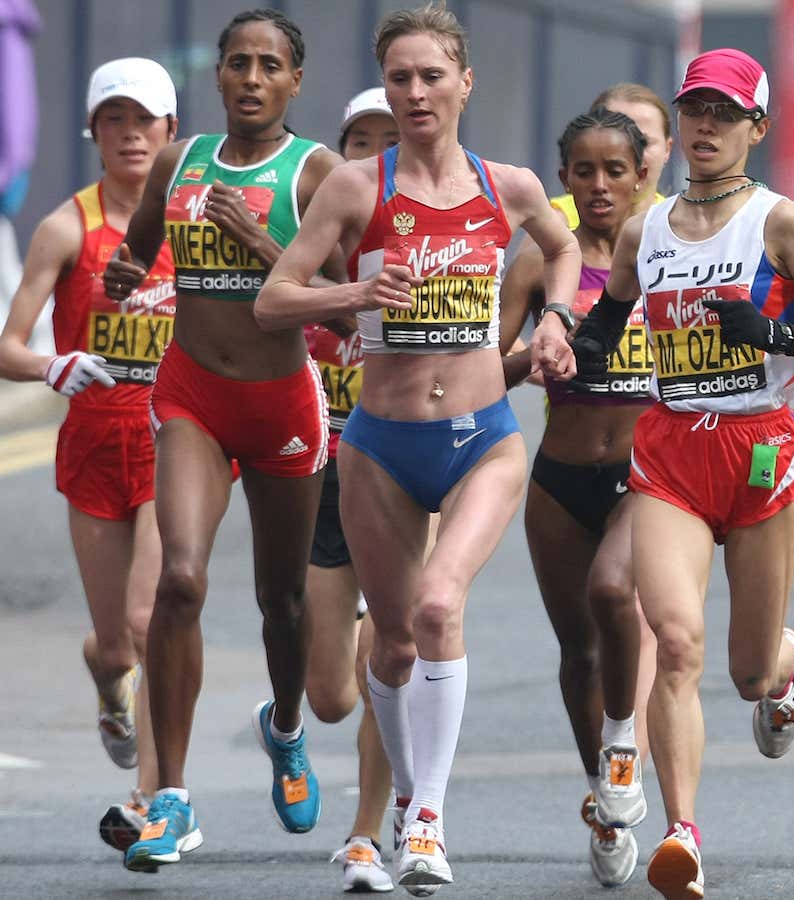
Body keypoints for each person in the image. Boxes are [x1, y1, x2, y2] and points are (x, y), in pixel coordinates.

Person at [256, 5, 581, 893]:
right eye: (399, 77)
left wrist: (556, 318)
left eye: (431, 75)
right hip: (381, 445)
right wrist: (355, 292)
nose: (414, 92)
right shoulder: (357, 189)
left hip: (482, 438)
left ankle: (426, 819)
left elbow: (564, 247)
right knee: (392, 647)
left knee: (441, 606)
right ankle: (405, 801)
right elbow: (273, 300)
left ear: (464, 82)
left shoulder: (506, 186)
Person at [533, 47, 794, 900]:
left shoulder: (782, 223)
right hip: (671, 449)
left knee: (744, 670)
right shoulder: (649, 228)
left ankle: (779, 670)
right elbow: (606, 326)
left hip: (761, 451)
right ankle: (682, 834)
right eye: (694, 111)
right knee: (674, 642)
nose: (705, 126)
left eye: (724, 112)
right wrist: (570, 344)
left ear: (758, 126)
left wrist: (771, 335)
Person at [104, 9, 344, 871]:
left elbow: (349, 292)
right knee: (179, 578)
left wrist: (268, 244)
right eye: (237, 62)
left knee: (281, 604)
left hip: (281, 402)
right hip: (192, 393)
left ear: (294, 81)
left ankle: (284, 729)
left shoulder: (317, 173)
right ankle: (170, 798)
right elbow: (136, 254)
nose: (250, 77)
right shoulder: (181, 160)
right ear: (218, 74)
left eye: (268, 65)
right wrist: (125, 274)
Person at [0, 56, 176, 853]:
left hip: (178, 443)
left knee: (148, 618)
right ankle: (107, 676)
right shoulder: (68, 225)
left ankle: (150, 801)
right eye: (115, 120)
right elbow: (8, 345)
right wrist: (51, 364)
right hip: (93, 445)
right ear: (94, 132)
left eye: (145, 120)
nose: (130, 134)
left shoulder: (195, 224)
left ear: (171, 133)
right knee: (115, 642)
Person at [499, 108, 656, 889]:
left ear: (641, 176)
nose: (600, 186)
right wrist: (535, 354)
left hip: (645, 476)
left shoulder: (668, 256)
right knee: (576, 652)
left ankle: (624, 742)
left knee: (612, 592)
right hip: (559, 479)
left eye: (615, 171)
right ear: (563, 179)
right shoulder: (538, 263)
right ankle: (602, 792)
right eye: (584, 172)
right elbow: (484, 369)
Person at [307, 86, 399, 895]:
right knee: (330, 695)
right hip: (325, 477)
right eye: (357, 143)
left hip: (403, 471)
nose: (372, 158)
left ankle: (371, 829)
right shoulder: (306, 245)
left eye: (389, 142)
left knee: (386, 661)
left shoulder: (423, 245)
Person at [551, 83, 673, 228]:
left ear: (667, 149)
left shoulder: (678, 224)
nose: (634, 155)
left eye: (644, 143)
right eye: (615, 141)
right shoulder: (555, 224)